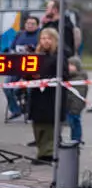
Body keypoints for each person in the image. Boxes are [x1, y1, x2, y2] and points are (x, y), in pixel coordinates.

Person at [26, 27, 62, 163]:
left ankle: (48, 154)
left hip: (51, 97)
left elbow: (63, 75)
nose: (45, 41)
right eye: (42, 38)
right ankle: (41, 151)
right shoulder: (36, 56)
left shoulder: (58, 56)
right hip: (37, 96)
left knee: (48, 126)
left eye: (48, 38)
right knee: (38, 125)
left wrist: (44, 78)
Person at [5, 15, 39, 121]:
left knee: (31, 90)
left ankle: (30, 111)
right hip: (17, 66)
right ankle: (16, 110)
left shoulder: (40, 35)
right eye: (28, 23)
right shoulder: (20, 34)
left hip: (33, 68)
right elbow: (11, 48)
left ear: (37, 26)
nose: (30, 26)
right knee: (7, 86)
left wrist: (32, 50)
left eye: (32, 24)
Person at [65, 56, 87, 144]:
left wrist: (75, 108)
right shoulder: (68, 77)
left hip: (74, 107)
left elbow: (78, 96)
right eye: (68, 64)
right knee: (74, 123)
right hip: (68, 105)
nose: (69, 66)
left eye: (71, 65)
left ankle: (76, 139)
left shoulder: (79, 80)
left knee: (75, 123)